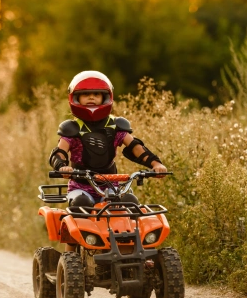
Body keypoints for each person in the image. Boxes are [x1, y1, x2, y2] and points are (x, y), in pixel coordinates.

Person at [48, 70, 168, 211]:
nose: (91, 98)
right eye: (86, 94)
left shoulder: (115, 126)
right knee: (81, 205)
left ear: (105, 97)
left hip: (111, 186)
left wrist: (156, 164)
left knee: (130, 203)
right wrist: (62, 166)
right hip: (80, 188)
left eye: (96, 94)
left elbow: (136, 147)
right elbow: (59, 152)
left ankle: (133, 234)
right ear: (75, 98)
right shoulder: (72, 128)